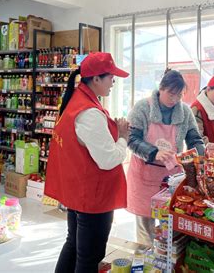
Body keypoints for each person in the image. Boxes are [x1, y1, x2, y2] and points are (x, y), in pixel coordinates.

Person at [44, 52, 130, 273]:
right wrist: (123, 138)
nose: (113, 82)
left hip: (79, 193)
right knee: (89, 257)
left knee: (74, 244)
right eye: (111, 77)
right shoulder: (89, 113)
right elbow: (108, 159)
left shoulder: (77, 101)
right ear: (96, 79)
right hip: (93, 197)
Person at [127, 69, 205, 246]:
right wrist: (154, 152)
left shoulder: (185, 111)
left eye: (179, 95)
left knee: (169, 226)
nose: (175, 99)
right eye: (171, 94)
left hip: (171, 178)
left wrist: (201, 155)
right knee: (145, 230)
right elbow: (131, 139)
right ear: (161, 88)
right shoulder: (142, 108)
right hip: (144, 176)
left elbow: (194, 138)